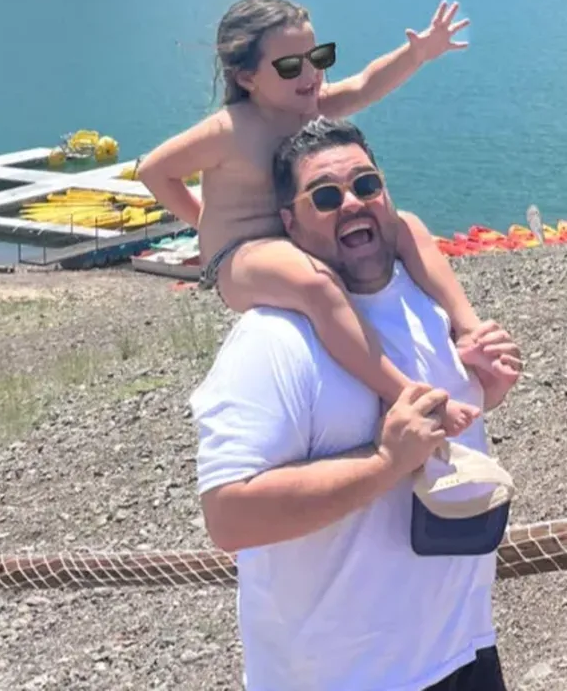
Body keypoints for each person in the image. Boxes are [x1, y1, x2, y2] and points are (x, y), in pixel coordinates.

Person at [190, 117, 523, 691]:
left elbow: (443, 430)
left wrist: (485, 386)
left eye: (366, 185)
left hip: (463, 651)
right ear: (290, 223)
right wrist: (384, 463)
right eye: (325, 196)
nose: (352, 203)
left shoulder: (427, 301)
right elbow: (229, 517)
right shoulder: (274, 339)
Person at [140, 0, 485, 436]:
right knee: (317, 284)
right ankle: (405, 393)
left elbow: (365, 85)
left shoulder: (313, 107)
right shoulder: (230, 129)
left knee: (408, 227)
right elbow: (155, 171)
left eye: (318, 58)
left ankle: (470, 328)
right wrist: (205, 225)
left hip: (296, 237)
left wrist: (417, 53)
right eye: (290, 67)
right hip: (242, 255)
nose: (310, 74)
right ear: (247, 77)